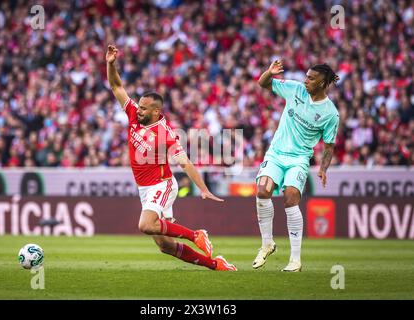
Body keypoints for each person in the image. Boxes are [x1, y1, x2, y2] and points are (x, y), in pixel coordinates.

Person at [106, 45, 237, 271]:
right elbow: (116, 85)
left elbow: (185, 163)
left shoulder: (166, 134)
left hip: (162, 184)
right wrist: (110, 64)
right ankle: (216, 264)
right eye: (140, 106)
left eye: (144, 109)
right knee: (165, 246)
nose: (139, 111)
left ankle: (196, 234)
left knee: (146, 225)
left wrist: (203, 189)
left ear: (156, 112)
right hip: (144, 188)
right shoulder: (133, 114)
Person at [253, 61, 340, 272]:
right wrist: (269, 72)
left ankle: (295, 260)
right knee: (262, 190)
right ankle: (267, 244)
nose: (306, 80)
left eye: (311, 78)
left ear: (322, 83)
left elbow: (329, 146)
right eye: (306, 76)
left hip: (299, 159)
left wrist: (323, 168)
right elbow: (262, 83)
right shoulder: (295, 89)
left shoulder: (330, 114)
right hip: (276, 153)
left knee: (291, 196)